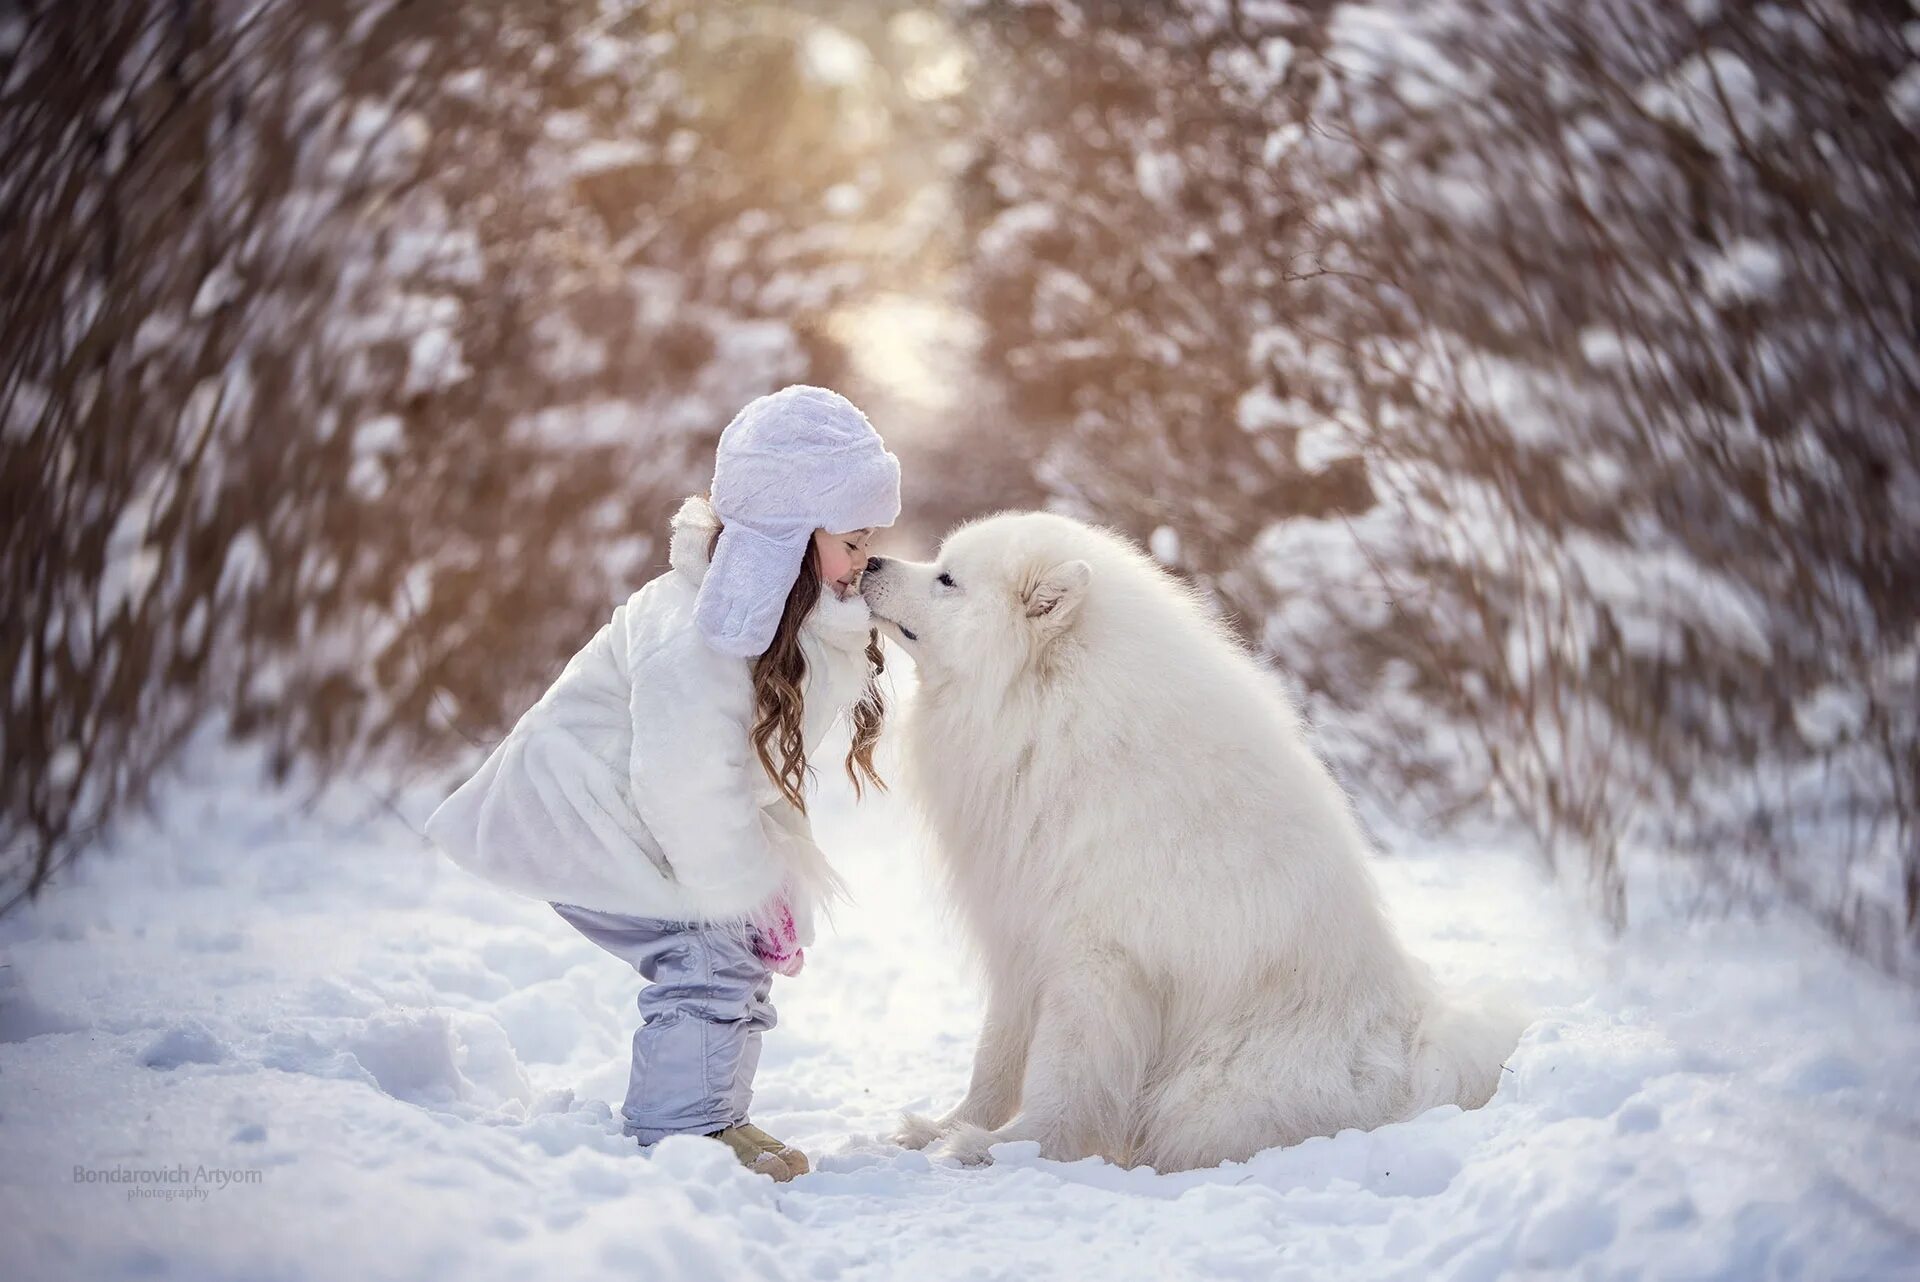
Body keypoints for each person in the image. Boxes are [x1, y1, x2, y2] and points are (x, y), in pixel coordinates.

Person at [425, 385, 900, 1181]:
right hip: (581, 813)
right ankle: (681, 1131)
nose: (862, 563)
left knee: (734, 946)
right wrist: (742, 890)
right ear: (786, 534)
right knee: (709, 943)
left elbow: (742, 766)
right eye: (852, 543)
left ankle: (716, 1116)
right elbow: (685, 779)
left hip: (634, 813)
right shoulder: (694, 632)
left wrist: (768, 885)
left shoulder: (769, 614)